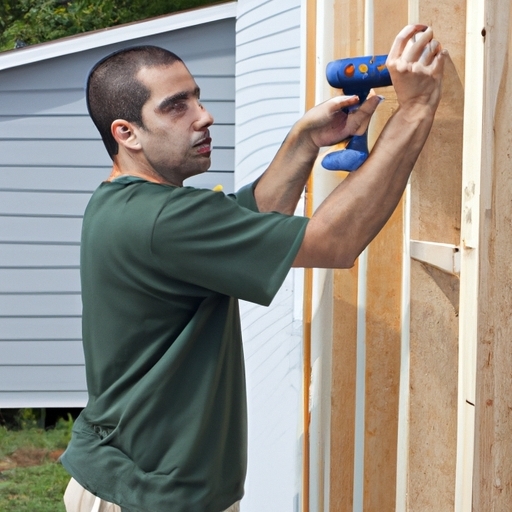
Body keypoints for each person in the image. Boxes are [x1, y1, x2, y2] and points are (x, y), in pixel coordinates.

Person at [60, 24, 447, 512]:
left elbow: (249, 217)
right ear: (126, 132)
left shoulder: (125, 202)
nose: (204, 116)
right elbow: (334, 243)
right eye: (176, 106)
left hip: (135, 479)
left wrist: (306, 140)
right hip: (149, 495)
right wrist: (414, 110)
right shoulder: (162, 219)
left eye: (197, 98)